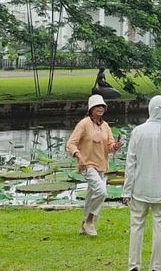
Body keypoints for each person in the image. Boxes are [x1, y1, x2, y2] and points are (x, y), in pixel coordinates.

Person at [123, 95, 161, 271]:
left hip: (140, 186)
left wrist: (126, 190)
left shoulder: (138, 131)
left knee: (136, 226)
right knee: (159, 227)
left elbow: (131, 162)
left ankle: (134, 265)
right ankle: (156, 266)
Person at [66, 94, 122, 236]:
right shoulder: (83, 124)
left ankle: (83, 225)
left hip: (101, 165)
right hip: (87, 164)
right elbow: (70, 143)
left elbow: (109, 146)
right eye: (97, 106)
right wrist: (79, 156)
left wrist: (116, 146)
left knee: (91, 195)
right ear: (91, 108)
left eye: (102, 106)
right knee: (101, 192)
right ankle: (90, 221)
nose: (100, 108)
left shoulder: (105, 126)